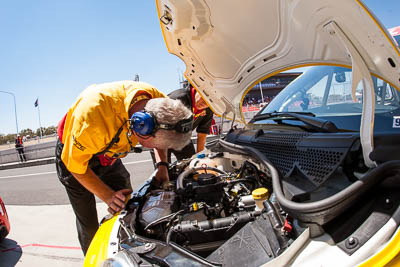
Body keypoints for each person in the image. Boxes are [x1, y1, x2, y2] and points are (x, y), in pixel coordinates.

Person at [55, 80, 193, 254]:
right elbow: (75, 167)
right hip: (74, 155)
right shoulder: (93, 116)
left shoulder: (160, 102)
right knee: (88, 221)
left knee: (128, 206)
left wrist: (162, 166)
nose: (154, 149)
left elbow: (162, 135)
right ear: (140, 127)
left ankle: (127, 253)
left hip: (109, 153)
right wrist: (108, 196)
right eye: (153, 145)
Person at [151, 82, 213, 165]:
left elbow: (202, 135)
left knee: (191, 168)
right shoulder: (177, 99)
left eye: (209, 101)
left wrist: (200, 159)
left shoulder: (208, 109)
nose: (205, 102)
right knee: (165, 172)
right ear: (198, 89)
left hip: (183, 137)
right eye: (204, 97)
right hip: (162, 137)